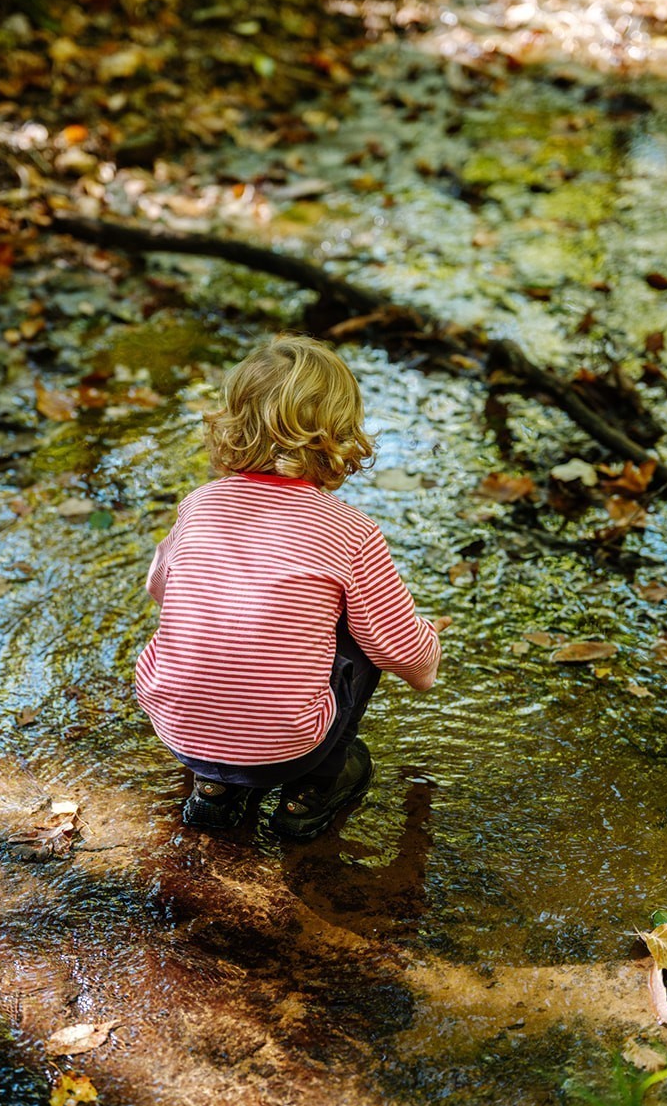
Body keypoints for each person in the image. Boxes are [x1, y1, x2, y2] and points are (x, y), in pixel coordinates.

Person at [135, 335, 447, 841]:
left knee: (212, 612)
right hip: (287, 747)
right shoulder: (350, 531)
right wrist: (427, 649)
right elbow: (397, 646)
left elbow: (161, 590)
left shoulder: (199, 504)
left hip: (179, 730)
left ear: (233, 422)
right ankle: (311, 793)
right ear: (340, 433)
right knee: (362, 632)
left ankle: (215, 793)